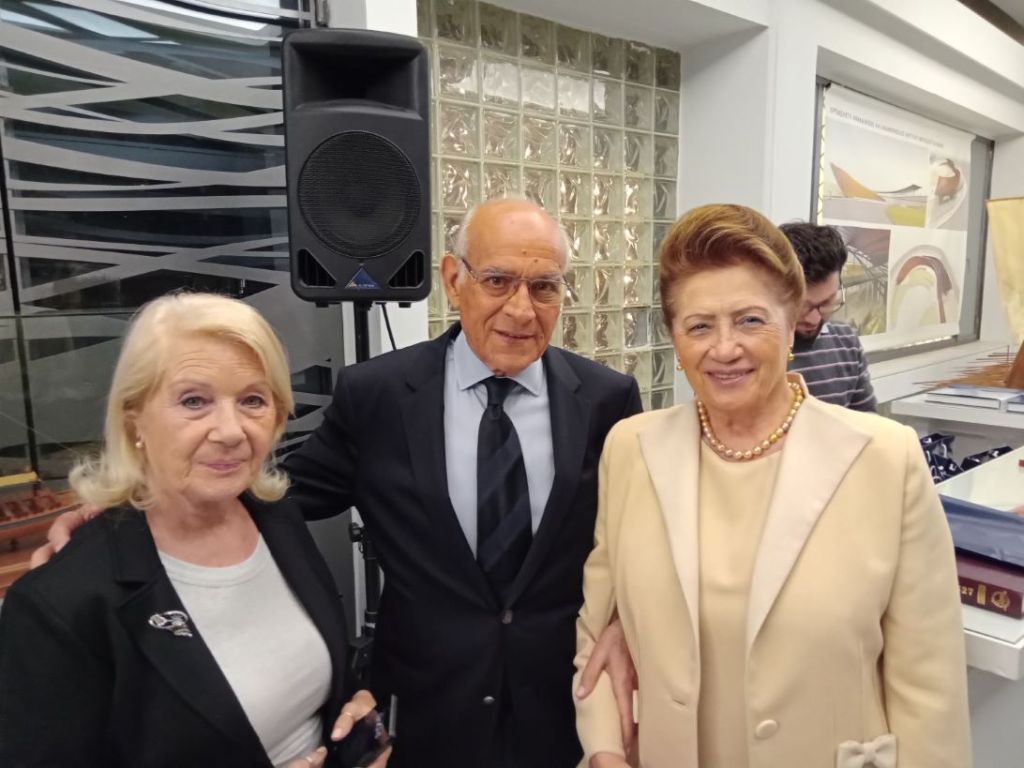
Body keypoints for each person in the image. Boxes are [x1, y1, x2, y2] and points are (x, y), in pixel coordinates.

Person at [38, 198, 642, 768]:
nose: (521, 309)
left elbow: (636, 541)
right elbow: (275, 491)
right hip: (426, 714)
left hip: (560, 705)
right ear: (454, 279)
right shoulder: (378, 395)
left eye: (544, 287)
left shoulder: (606, 401)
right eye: (498, 280)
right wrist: (125, 509)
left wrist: (623, 623)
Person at [575, 204, 971, 768]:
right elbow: (598, 632)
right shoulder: (632, 449)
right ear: (676, 341)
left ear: (792, 324)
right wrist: (606, 750)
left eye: (750, 320)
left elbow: (930, 682)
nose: (724, 348)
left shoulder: (884, 459)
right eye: (699, 326)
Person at [0, 293, 389, 768]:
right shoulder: (61, 604)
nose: (230, 430)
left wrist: (358, 714)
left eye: (252, 400)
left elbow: (314, 670)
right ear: (133, 417)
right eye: (194, 401)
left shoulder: (276, 518)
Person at [780, 221, 877, 411]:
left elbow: (867, 421)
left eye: (826, 303)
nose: (814, 319)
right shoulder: (754, 351)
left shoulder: (845, 342)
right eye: (803, 307)